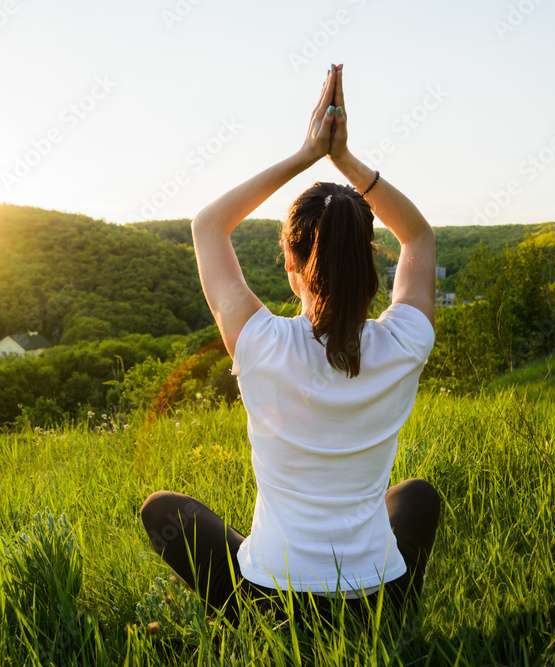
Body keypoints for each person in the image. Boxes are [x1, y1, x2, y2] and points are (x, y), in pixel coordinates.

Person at [140, 64, 442, 628]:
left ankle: (258, 623)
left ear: (291, 264)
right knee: (418, 497)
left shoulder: (259, 344)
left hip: (273, 606)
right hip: (378, 601)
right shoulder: (404, 342)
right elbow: (420, 235)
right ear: (369, 265)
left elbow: (208, 225)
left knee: (163, 511)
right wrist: (348, 161)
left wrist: (309, 154)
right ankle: (394, 615)